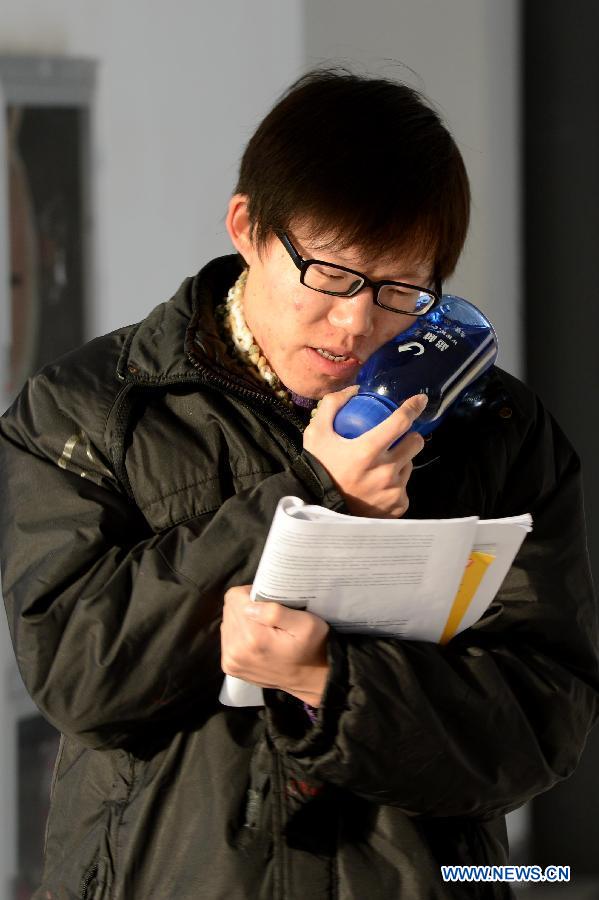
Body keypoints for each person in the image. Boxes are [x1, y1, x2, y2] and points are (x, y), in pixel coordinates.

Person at [0, 68, 597, 900]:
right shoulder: (92, 408)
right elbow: (80, 674)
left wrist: (331, 682)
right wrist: (314, 492)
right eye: (330, 273)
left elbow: (544, 725)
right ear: (247, 227)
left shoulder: (497, 431)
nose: (355, 322)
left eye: (401, 290)